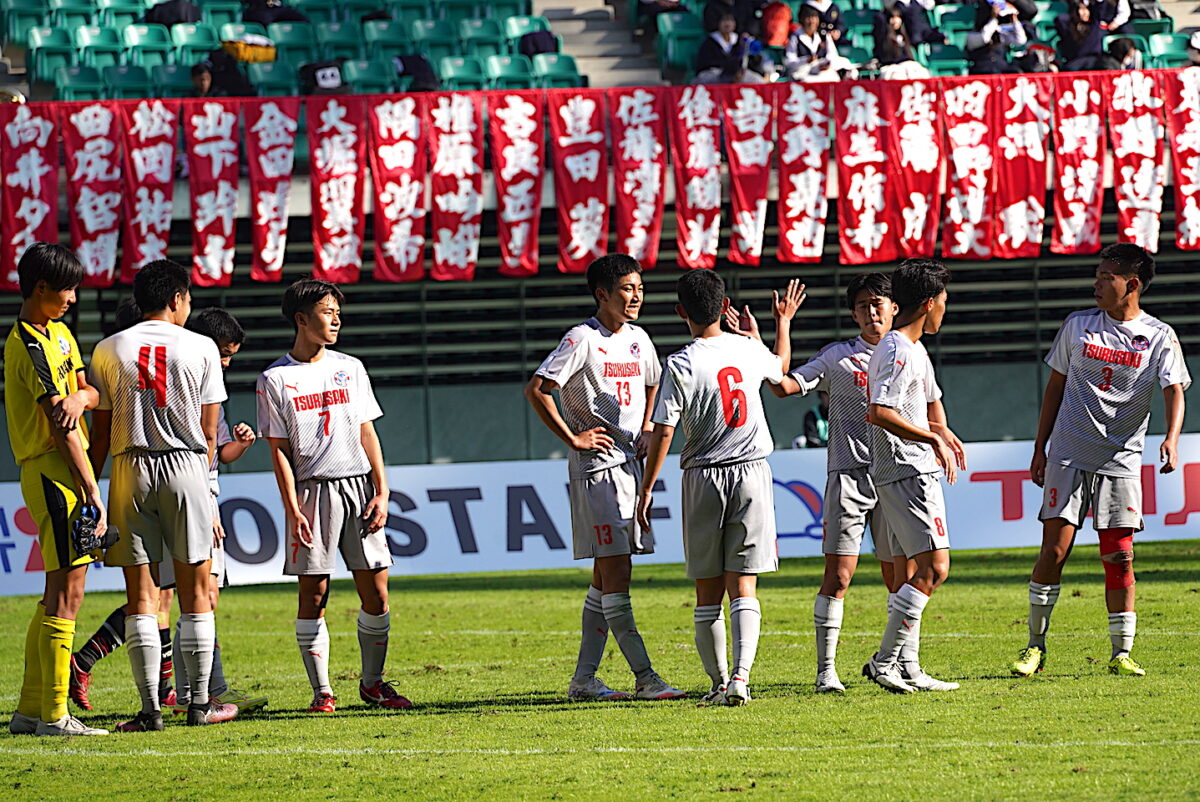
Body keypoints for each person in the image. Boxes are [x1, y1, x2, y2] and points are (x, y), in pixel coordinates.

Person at [1010, 244, 1189, 680]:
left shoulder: (1159, 335)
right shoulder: (1078, 325)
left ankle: (1121, 652)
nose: (1096, 283)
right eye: (1097, 275)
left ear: (1132, 283)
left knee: (1119, 556)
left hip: (1121, 460)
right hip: (1069, 453)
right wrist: (1040, 446)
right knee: (1054, 551)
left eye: (1107, 277)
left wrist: (1171, 438)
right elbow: (1055, 387)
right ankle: (1035, 646)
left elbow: (1174, 390)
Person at [638, 272, 806, 706]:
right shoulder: (747, 348)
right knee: (744, 585)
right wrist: (782, 322)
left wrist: (647, 488)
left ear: (680, 312)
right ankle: (741, 679)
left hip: (703, 476)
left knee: (707, 590)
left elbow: (664, 431)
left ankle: (716, 684)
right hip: (751, 472)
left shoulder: (681, 363)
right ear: (725, 305)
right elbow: (781, 369)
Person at [524, 254, 685, 702]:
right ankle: (646, 678)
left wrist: (648, 426)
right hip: (597, 470)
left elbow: (654, 382)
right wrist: (573, 438)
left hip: (630, 465)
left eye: (639, 288)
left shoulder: (638, 338)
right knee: (617, 574)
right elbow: (537, 389)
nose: (636, 297)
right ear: (602, 294)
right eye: (627, 289)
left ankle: (583, 680)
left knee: (604, 576)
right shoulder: (582, 338)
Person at [89, 260, 237, 731]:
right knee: (194, 592)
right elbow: (210, 432)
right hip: (186, 465)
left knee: (141, 597)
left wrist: (91, 489)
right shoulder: (202, 347)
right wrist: (204, 490)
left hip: (129, 467)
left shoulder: (108, 348)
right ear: (177, 298)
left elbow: (99, 432)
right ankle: (199, 704)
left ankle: (149, 710)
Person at [257, 279, 410, 714]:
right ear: (301, 319)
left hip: (359, 487)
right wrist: (292, 509)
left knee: (376, 593)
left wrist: (382, 491)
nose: (336, 319)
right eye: (327, 312)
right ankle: (322, 692)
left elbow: (367, 432)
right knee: (314, 595)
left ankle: (373, 683)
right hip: (312, 491)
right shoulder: (275, 379)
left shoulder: (351, 367)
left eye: (337, 312)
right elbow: (279, 451)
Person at [771, 274, 899, 693]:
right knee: (839, 577)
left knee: (900, 579)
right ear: (854, 314)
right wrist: (781, 326)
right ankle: (826, 671)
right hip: (849, 478)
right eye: (863, 306)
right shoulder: (837, 357)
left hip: (896, 477)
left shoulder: (909, 354)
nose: (871, 311)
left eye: (878, 303)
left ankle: (898, 662)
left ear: (894, 308)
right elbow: (784, 386)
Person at [5, 244, 110, 737]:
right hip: (53, 471)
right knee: (69, 590)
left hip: (64, 471)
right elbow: (62, 428)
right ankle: (53, 713)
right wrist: (92, 490)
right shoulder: (27, 344)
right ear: (41, 287)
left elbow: (90, 392)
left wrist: (79, 397)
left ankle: (30, 712)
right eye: (66, 288)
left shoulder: (60, 333)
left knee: (56, 592)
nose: (72, 298)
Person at [69, 297, 178, 714]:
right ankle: (84, 661)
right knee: (148, 596)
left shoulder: (122, 362)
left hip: (140, 480)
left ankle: (163, 688)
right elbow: (101, 435)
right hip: (141, 481)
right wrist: (90, 488)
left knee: (161, 596)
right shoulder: (126, 366)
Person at [862, 259, 964, 694]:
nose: (945, 310)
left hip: (908, 468)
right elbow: (879, 412)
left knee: (915, 571)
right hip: (907, 469)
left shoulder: (912, 348)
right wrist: (931, 438)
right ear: (928, 304)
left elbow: (926, 402)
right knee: (935, 568)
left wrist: (942, 430)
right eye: (943, 301)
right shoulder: (898, 350)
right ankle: (883, 662)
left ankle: (910, 667)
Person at [162, 309, 267, 715]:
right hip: (192, 495)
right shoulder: (185, 384)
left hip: (187, 491)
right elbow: (203, 450)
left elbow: (219, 450)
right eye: (223, 353)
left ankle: (197, 692)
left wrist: (242, 443)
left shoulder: (209, 387)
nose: (226, 363)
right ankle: (201, 694)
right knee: (198, 596)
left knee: (201, 596)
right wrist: (206, 505)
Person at [695, 13, 768, 84]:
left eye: (730, 20)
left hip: (738, 72)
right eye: (724, 20)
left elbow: (746, 62)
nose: (727, 24)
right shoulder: (709, 42)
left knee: (758, 80)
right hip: (716, 72)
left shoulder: (740, 41)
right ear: (718, 23)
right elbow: (705, 64)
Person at [784, 5, 846, 81]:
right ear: (801, 20)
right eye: (808, 18)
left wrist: (826, 64)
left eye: (814, 18)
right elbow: (790, 62)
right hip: (802, 73)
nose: (812, 22)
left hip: (822, 72)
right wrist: (806, 60)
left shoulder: (824, 36)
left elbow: (832, 55)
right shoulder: (795, 37)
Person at [966, 0, 1027, 73]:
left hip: (1001, 69)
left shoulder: (1000, 34)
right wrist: (993, 18)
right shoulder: (972, 36)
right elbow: (985, 37)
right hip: (983, 70)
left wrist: (1015, 20)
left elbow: (1020, 40)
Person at [873, 6, 931, 79]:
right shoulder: (882, 36)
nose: (896, 21)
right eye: (892, 18)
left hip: (906, 65)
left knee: (922, 73)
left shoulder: (904, 36)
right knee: (898, 76)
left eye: (898, 17)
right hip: (890, 66)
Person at [1055, 0, 1105, 71]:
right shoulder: (1069, 27)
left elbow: (1099, 7)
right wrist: (1075, 16)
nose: (1085, 13)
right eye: (1082, 9)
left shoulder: (1094, 24)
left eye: (1087, 9)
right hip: (1077, 60)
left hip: (1094, 58)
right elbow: (1059, 19)